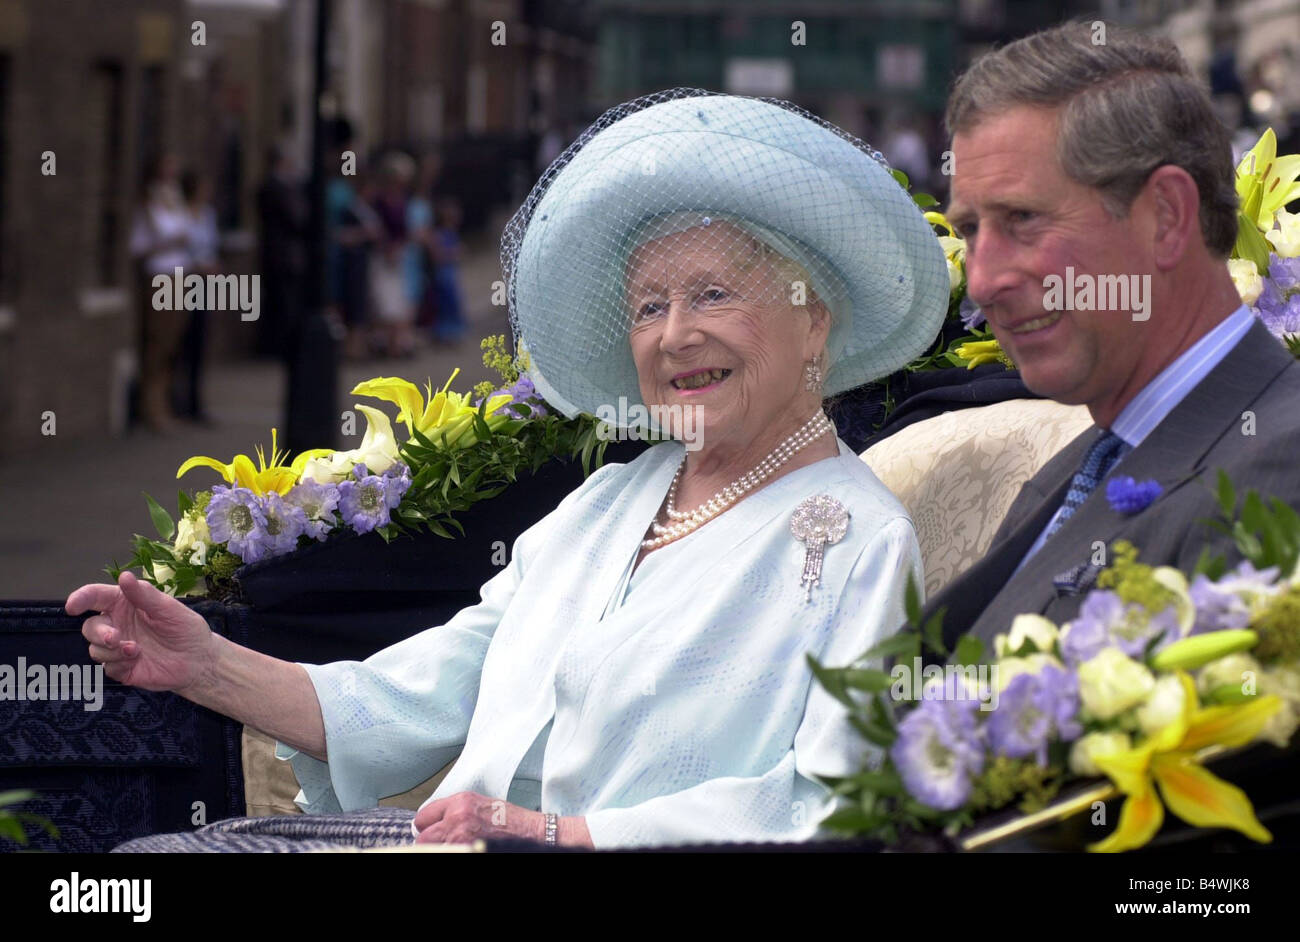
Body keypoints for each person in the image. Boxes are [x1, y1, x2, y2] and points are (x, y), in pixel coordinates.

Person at [67, 89, 948, 851]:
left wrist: (560, 836)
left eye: (714, 294)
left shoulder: (860, 539)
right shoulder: (610, 498)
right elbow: (416, 693)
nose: (676, 333)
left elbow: (835, 810)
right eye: (648, 305)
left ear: (815, 323)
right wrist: (205, 665)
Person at [923, 23, 1300, 649]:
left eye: (1023, 219)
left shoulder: (1277, 472)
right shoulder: (1088, 460)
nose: (983, 280)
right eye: (967, 229)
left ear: (1167, 217)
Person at [128, 152, 192, 435]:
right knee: (157, 343)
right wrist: (167, 242)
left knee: (172, 344)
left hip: (180, 274)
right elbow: (140, 246)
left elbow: (187, 230)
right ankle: (150, 406)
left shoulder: (174, 197)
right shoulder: (148, 203)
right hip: (160, 276)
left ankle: (164, 403)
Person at [172, 169, 218, 426]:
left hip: (205, 282)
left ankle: (195, 402)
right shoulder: (181, 215)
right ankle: (178, 401)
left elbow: (210, 244)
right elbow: (182, 246)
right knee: (181, 340)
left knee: (200, 340)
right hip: (184, 279)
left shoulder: (208, 214)